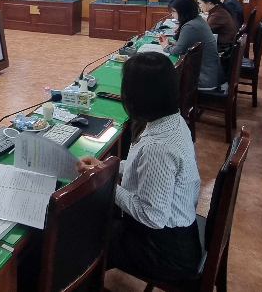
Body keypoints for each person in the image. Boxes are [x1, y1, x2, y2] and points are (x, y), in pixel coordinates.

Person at [76, 52, 201, 283]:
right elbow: (142, 168)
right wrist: (105, 167)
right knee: (97, 217)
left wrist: (104, 180)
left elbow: (152, 216)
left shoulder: (157, 148)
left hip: (166, 252)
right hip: (178, 234)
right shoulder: (173, 120)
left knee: (84, 233)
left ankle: (85, 281)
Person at [158, 0, 224, 89]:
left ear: (184, 11)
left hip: (204, 78)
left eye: (174, 12)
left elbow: (179, 51)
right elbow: (186, 45)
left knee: (163, 78)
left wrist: (165, 46)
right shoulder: (197, 20)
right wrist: (170, 43)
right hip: (211, 74)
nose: (172, 15)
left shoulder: (190, 26)